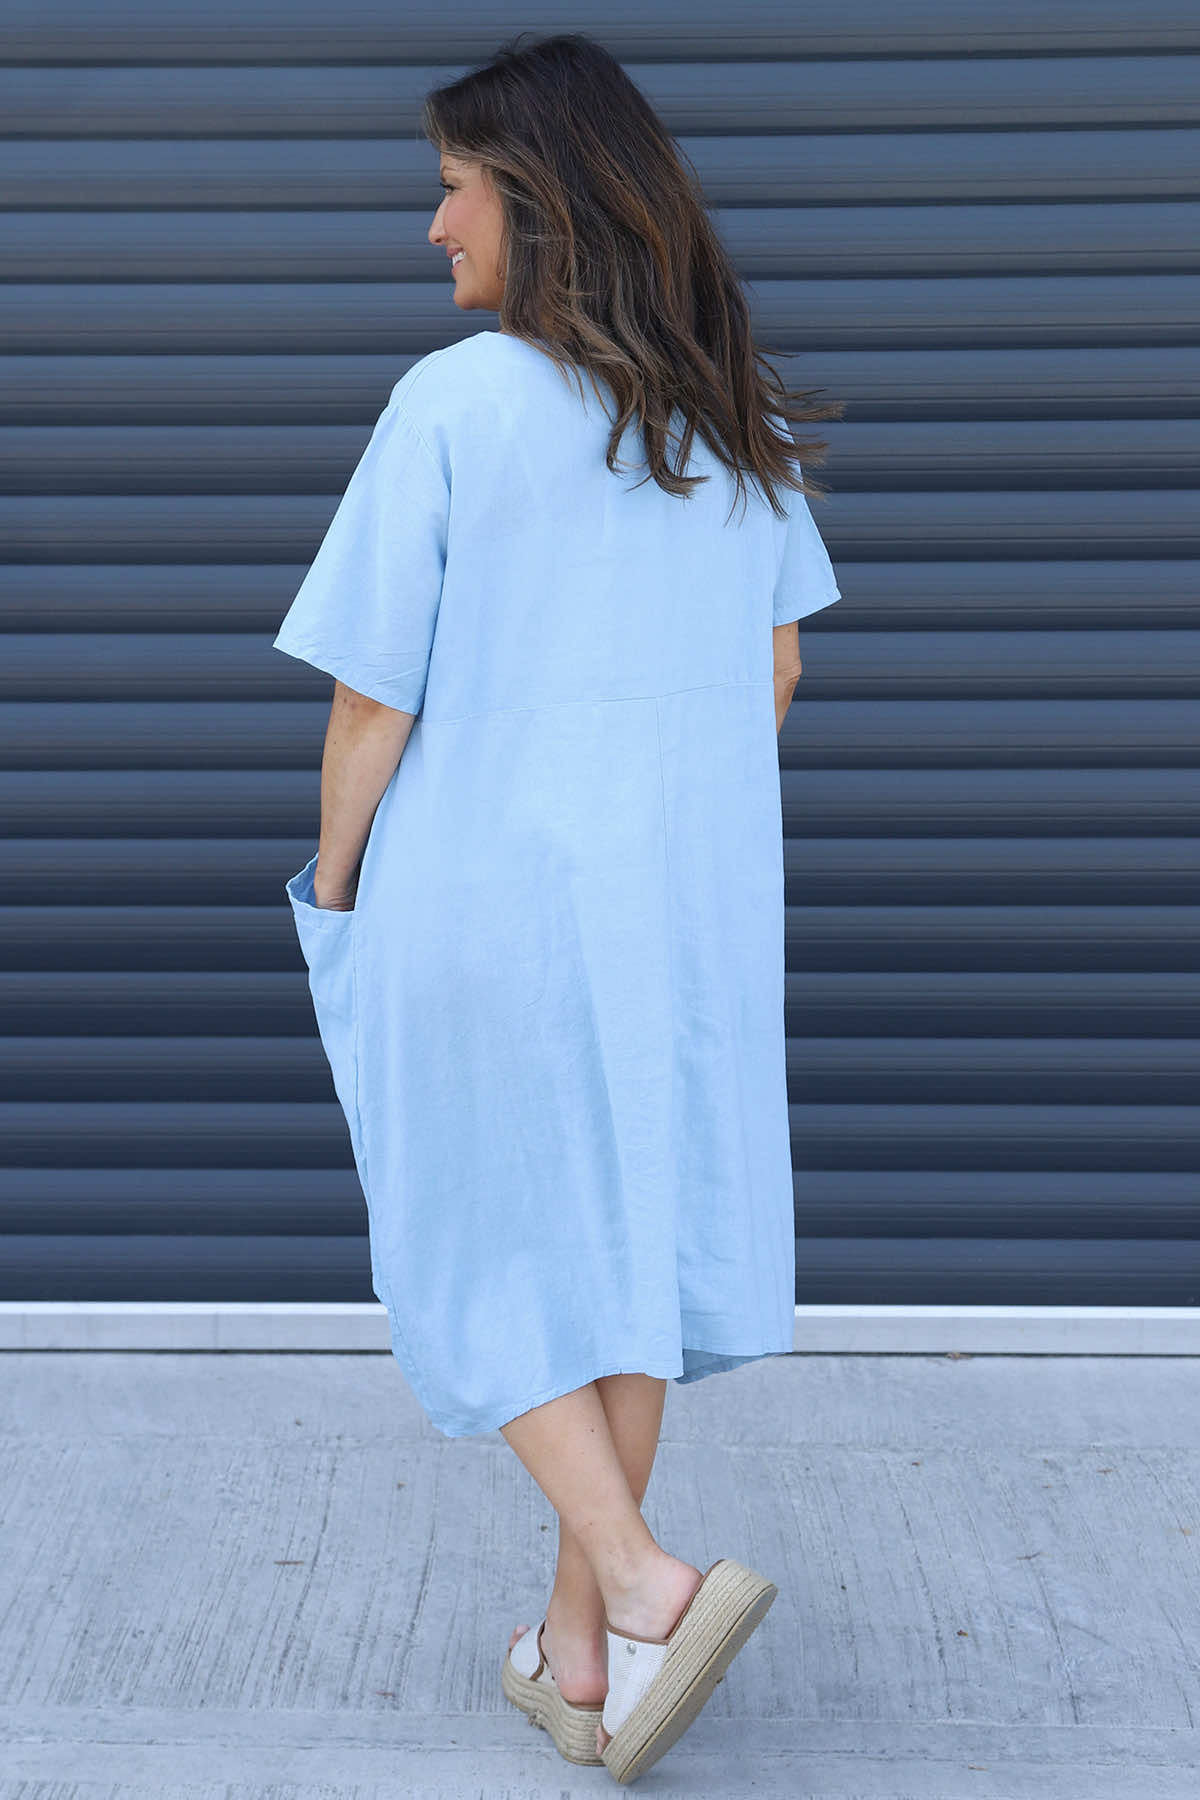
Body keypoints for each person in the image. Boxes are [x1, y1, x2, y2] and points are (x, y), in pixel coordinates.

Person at [272, 32, 844, 1783]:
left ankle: (649, 1584)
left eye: (454, 187)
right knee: (623, 1256)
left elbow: (370, 699)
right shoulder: (727, 417)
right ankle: (581, 1651)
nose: (434, 226)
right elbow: (775, 672)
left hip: (482, 896)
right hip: (673, 916)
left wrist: (340, 887)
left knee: (476, 1240)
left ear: (537, 199)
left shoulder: (454, 405)